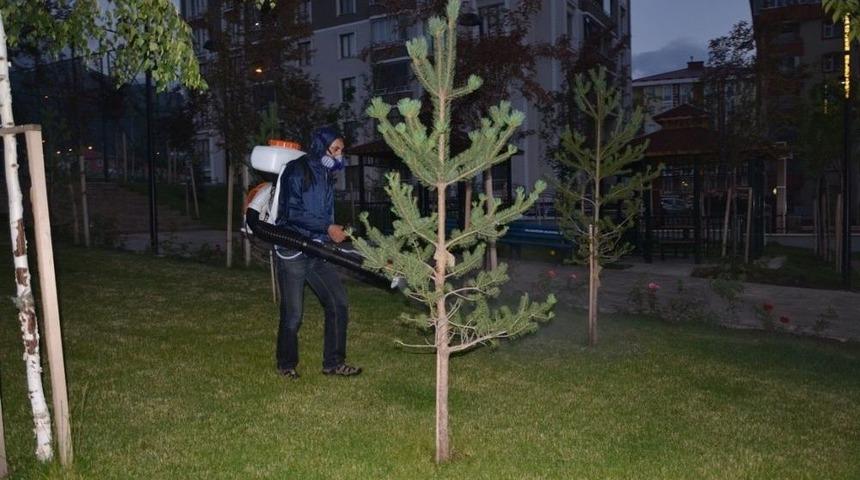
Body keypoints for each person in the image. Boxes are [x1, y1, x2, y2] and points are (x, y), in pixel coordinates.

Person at [273, 126, 361, 379]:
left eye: (342, 150)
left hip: (316, 249)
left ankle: (333, 363)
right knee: (293, 314)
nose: (339, 155)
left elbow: (322, 213)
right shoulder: (296, 170)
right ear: (320, 146)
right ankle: (285, 365)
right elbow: (292, 212)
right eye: (335, 149)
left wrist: (332, 231)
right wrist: (326, 227)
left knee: (338, 302)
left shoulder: (325, 174)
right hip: (292, 250)